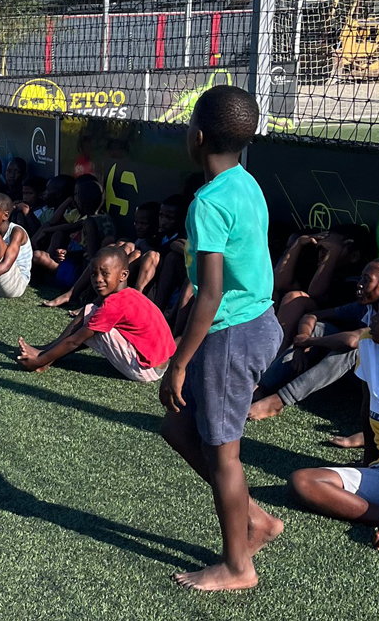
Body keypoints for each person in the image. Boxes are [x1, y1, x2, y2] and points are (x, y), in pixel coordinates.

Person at [158, 85, 282, 592]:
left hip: (231, 334)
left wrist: (179, 362)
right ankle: (256, 519)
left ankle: (238, 566)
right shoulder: (245, 183)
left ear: (198, 136)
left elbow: (208, 295)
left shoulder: (208, 202)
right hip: (257, 324)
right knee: (179, 430)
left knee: (224, 456)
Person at [288, 282, 379, 550]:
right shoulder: (368, 344)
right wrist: (368, 464)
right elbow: (368, 407)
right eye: (377, 311)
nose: (373, 318)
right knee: (304, 483)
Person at [248, 258, 379, 421]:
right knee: (321, 328)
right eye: (361, 278)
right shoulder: (362, 308)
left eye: (367, 280)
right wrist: (303, 340)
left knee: (353, 350)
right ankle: (263, 387)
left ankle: (279, 400)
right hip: (358, 376)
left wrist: (307, 342)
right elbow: (312, 316)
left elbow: (352, 340)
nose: (360, 284)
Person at [17, 247, 175, 382]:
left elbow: (75, 341)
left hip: (147, 370)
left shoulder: (114, 305)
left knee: (92, 327)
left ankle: (45, 357)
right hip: (160, 364)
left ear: (123, 275)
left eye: (105, 274)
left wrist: (38, 362)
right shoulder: (130, 294)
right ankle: (48, 351)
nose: (98, 280)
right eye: (93, 274)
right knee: (90, 311)